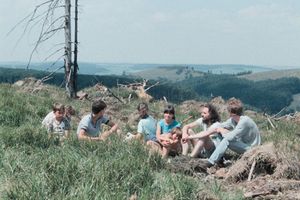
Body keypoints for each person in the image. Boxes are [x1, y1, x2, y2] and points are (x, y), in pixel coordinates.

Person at [199, 98, 261, 169]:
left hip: (252, 148)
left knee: (227, 140)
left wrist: (222, 131)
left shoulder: (244, 121)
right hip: (243, 144)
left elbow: (230, 138)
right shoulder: (233, 120)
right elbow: (220, 125)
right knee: (221, 133)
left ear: (231, 112)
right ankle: (219, 159)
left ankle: (211, 162)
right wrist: (213, 130)